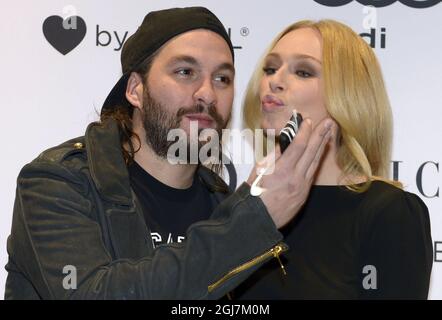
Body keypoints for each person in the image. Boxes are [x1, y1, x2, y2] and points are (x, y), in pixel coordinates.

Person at [4, 7, 333, 299]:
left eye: (222, 78)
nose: (206, 93)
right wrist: (253, 223)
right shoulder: (59, 182)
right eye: (185, 72)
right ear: (135, 90)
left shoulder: (224, 204)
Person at [236, 19, 433, 299]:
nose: (274, 81)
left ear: (348, 93)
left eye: (303, 72)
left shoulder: (387, 213)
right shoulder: (246, 206)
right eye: (270, 68)